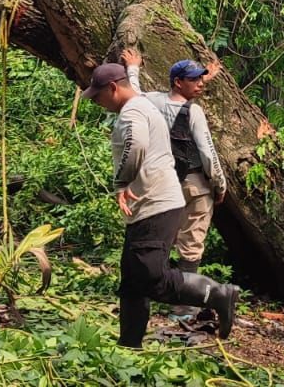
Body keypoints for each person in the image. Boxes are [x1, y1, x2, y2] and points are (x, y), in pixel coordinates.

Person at [82, 63, 239, 348]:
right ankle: (129, 345)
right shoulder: (143, 104)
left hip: (156, 204)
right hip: (150, 205)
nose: (97, 102)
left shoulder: (132, 111)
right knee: (132, 281)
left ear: (113, 88)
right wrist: (133, 69)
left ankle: (218, 294)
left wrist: (122, 182)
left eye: (98, 96)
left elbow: (137, 144)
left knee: (153, 277)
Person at [121, 50, 227, 320]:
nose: (200, 84)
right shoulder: (195, 111)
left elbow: (134, 93)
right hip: (195, 184)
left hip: (166, 184)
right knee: (191, 244)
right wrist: (220, 184)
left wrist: (132, 68)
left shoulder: (153, 102)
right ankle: (183, 309)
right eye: (194, 80)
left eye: (202, 79)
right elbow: (207, 151)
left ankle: (153, 296)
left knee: (163, 241)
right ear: (178, 82)